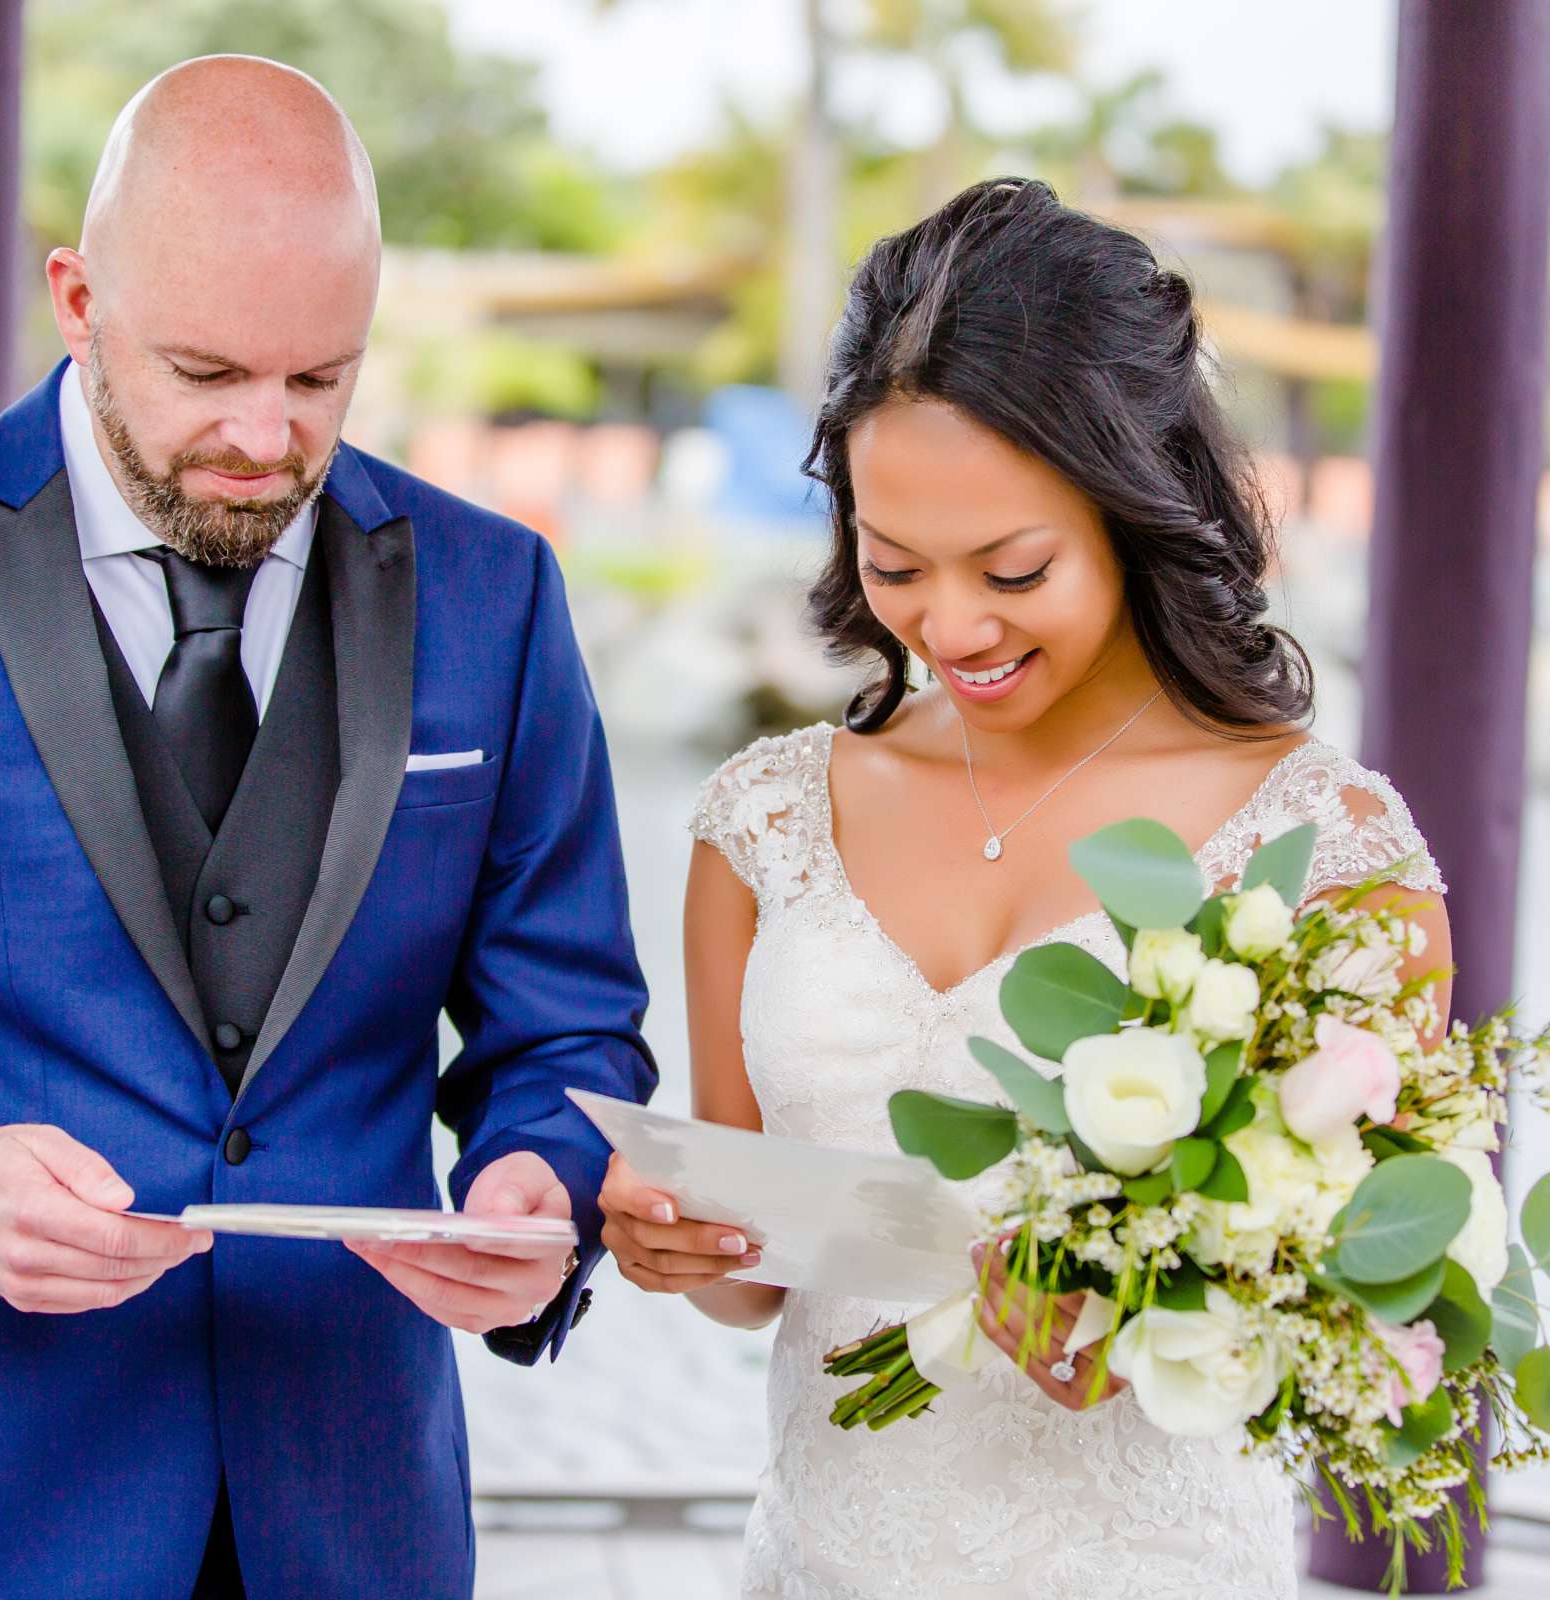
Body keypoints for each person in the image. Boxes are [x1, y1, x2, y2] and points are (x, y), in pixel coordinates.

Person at [0, 56, 653, 1600]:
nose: (265, 437)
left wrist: (538, 1187)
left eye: (321, 380)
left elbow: (570, 1036)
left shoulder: (495, 595)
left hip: (356, 1521)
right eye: (208, 373)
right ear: (77, 298)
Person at [598, 177, 1454, 1597]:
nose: (950, 626)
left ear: (1139, 506)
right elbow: (760, 1284)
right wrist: (675, 1241)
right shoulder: (763, 820)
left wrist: (1163, 1333)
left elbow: (1380, 1328)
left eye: (1012, 566)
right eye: (894, 564)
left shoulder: (1330, 848)